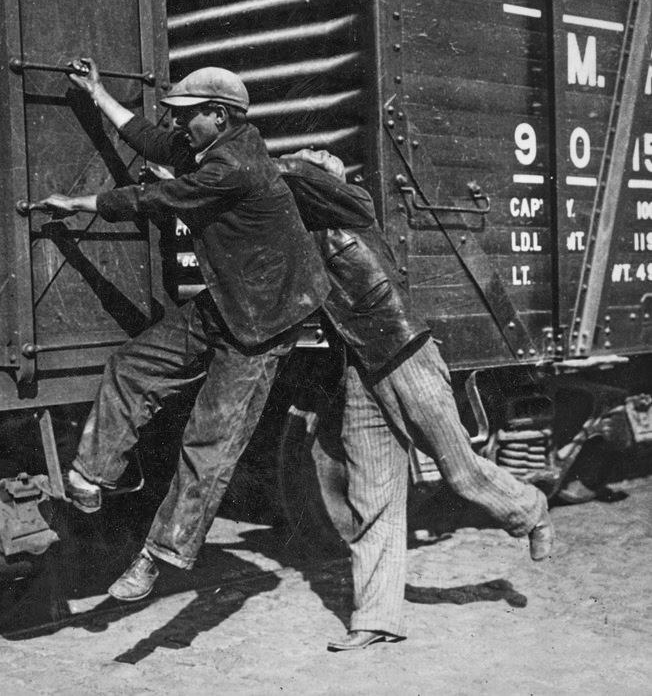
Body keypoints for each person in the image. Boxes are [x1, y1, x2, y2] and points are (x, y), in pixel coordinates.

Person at [39, 59, 329, 601]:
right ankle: (90, 478)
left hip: (263, 322)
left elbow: (157, 198)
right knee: (133, 365)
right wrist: (98, 93)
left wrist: (79, 203)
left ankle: (156, 557)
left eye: (186, 117)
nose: (177, 127)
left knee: (208, 442)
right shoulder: (209, 145)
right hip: (226, 301)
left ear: (218, 116)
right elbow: (149, 139)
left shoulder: (232, 166)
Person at [275, 149, 555, 651]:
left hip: (407, 354)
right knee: (372, 495)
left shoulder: (352, 206)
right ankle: (376, 618)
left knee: (460, 470)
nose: (312, 160)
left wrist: (266, 160)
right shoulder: (307, 233)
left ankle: (529, 509)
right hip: (360, 371)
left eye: (321, 159)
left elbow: (294, 174)